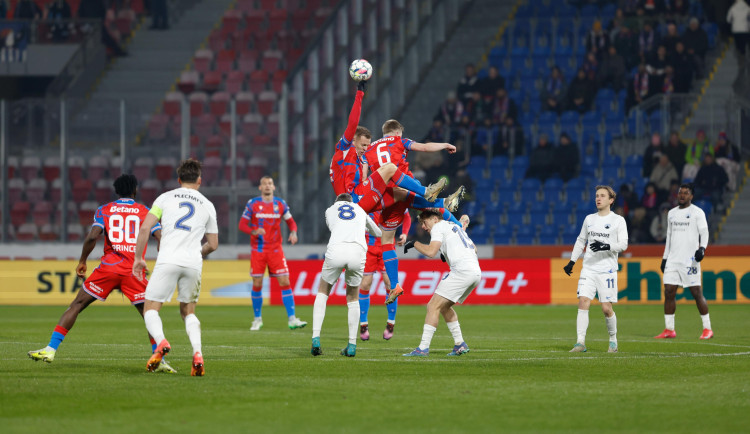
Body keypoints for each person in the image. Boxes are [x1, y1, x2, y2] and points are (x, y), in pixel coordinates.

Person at [28, 175, 173, 372]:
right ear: (135, 191)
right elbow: (160, 237)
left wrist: (82, 261)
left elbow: (92, 236)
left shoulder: (105, 209)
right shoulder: (144, 212)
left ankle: (50, 349)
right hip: (133, 270)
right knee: (149, 314)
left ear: (116, 191)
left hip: (108, 268)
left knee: (77, 305)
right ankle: (161, 361)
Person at [363, 119, 464, 305]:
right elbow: (424, 148)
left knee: (386, 241)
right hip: (405, 186)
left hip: (384, 196)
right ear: (397, 133)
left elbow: (364, 177)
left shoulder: (368, 149)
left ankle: (395, 285)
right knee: (429, 205)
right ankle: (449, 210)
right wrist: (445, 145)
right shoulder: (400, 141)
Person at [132, 159, 219, 376]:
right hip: (192, 263)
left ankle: (161, 342)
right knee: (188, 312)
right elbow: (214, 244)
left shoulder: (165, 197)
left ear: (179, 180)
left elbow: (145, 229)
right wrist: (196, 253)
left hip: (167, 259)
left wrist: (138, 259)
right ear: (200, 180)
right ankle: (197, 353)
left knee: (151, 308)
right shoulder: (207, 204)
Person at [310, 193, 382, 357]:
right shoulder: (360, 210)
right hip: (358, 252)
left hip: (337, 249)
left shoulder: (330, 210)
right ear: (352, 202)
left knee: (323, 291)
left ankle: (315, 338)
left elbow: (334, 227)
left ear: (337, 202)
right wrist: (361, 226)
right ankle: (352, 345)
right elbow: (377, 233)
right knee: (353, 297)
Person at [402, 212, 478, 357]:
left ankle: (422, 348)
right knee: (444, 307)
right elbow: (475, 249)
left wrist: (414, 243)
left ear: (435, 219)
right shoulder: (454, 228)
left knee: (433, 306)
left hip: (461, 271)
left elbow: (431, 252)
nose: (423, 227)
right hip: (475, 272)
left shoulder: (438, 227)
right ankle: (460, 344)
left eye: (425, 222)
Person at [563, 185, 628, 353]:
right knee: (583, 301)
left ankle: (613, 340)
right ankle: (580, 342)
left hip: (607, 270)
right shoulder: (589, 219)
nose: (598, 198)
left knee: (606, 309)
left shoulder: (618, 220)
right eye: (597, 195)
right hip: (589, 269)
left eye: (602, 196)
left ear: (611, 200)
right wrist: (572, 261)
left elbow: (623, 244)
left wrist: (606, 246)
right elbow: (580, 240)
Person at [238, 176, 307, 331]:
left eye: (270, 183)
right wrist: (254, 231)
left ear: (274, 187)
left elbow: (291, 222)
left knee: (285, 281)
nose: (268, 186)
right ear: (260, 187)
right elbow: (242, 225)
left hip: (276, 250)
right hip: (258, 250)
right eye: (264, 184)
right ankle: (257, 319)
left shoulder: (280, 204)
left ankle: (292, 319)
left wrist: (294, 232)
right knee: (257, 283)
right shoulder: (253, 204)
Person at [655, 183, 712, 339]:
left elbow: (704, 232)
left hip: (690, 260)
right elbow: (669, 237)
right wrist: (665, 257)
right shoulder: (672, 213)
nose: (682, 195)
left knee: (696, 293)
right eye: (680, 193)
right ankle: (669, 329)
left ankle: (707, 328)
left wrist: (702, 249)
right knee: (668, 292)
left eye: (686, 193)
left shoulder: (697, 212)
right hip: (673, 259)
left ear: (691, 196)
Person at [358, 210, 410, 341]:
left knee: (390, 284)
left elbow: (406, 216)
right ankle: (363, 324)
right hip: (368, 248)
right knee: (365, 284)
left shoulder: (392, 197)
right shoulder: (366, 195)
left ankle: (391, 323)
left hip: (386, 247)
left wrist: (404, 233)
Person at [727, 0, 750, 67]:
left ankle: (741, 61)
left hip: (736, 29)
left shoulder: (733, 8)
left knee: (739, 46)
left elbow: (728, 19)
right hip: (745, 29)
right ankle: (746, 58)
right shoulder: (747, 8)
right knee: (745, 45)